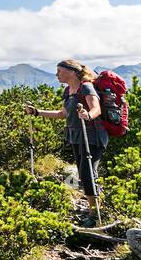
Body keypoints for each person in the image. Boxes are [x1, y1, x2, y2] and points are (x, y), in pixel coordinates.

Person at [24, 59, 106, 214]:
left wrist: (88, 115)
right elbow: (63, 113)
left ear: (72, 72)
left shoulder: (86, 87)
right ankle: (94, 204)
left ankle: (95, 212)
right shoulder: (68, 90)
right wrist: (37, 112)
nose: (57, 75)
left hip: (92, 136)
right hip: (76, 135)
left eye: (60, 71)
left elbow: (97, 108)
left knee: (88, 172)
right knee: (83, 173)